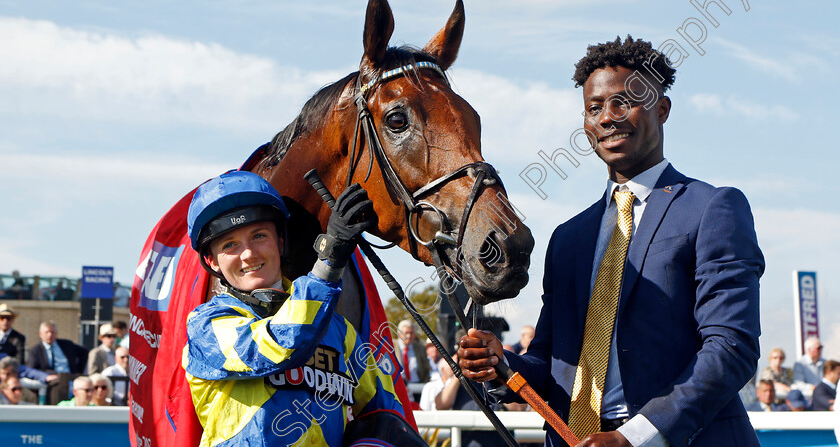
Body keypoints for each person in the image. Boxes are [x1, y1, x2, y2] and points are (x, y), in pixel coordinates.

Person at [458, 36, 764, 447]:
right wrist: (501, 362)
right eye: (594, 108)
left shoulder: (713, 209)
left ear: (662, 109)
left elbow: (732, 346)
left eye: (623, 102)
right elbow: (552, 363)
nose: (607, 117)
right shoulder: (568, 238)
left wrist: (633, 437)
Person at [182, 171, 411, 446]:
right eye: (230, 245)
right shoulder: (206, 327)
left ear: (280, 242)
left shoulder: (338, 330)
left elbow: (385, 411)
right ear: (212, 262)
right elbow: (281, 343)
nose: (248, 254)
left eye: (258, 236)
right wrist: (328, 264)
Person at [397, 319, 431, 394]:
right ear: (399, 334)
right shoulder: (392, 347)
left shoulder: (420, 348)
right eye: (406, 333)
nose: (409, 336)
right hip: (398, 387)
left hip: (417, 388)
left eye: (411, 333)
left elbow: (426, 370)